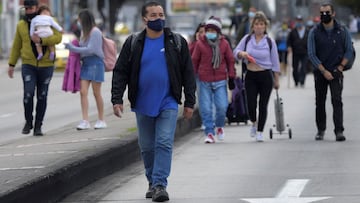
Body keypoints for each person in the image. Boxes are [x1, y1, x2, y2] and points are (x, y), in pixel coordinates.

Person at [111, 1, 196, 202]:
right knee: (147, 147)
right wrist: (117, 99)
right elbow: (120, 71)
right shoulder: (133, 43)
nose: (159, 19)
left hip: (168, 101)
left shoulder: (177, 42)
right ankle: (151, 180)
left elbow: (188, 73)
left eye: (161, 14)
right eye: (154, 15)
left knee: (164, 142)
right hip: (142, 103)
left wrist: (190, 102)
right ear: (145, 19)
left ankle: (160, 184)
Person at [7, 0, 62, 136]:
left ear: (37, 8)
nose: (28, 11)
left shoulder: (48, 20)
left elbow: (58, 37)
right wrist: (11, 64)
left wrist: (42, 41)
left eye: (30, 8)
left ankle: (38, 125)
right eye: (26, 9)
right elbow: (16, 45)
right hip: (28, 65)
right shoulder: (21, 25)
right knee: (28, 93)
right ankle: (28, 121)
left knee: (42, 96)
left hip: (46, 65)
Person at [307, 2, 352, 142]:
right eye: (322, 13)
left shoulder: (343, 31)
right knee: (320, 101)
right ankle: (321, 130)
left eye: (327, 12)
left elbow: (349, 50)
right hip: (320, 72)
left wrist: (340, 68)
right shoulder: (314, 32)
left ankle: (339, 130)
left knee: (337, 101)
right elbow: (311, 54)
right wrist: (323, 70)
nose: (324, 15)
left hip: (336, 71)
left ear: (333, 14)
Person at [233, 11, 280, 142]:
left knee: (263, 105)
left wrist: (276, 79)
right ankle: (253, 121)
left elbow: (275, 61)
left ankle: (260, 131)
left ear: (265, 26)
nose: (259, 27)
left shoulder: (270, 42)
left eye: (261, 24)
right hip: (251, 75)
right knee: (251, 104)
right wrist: (241, 53)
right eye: (256, 24)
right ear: (252, 26)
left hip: (265, 75)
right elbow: (235, 52)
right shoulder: (247, 39)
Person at [191, 16, 236, 143]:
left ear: (218, 32)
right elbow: (194, 61)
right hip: (204, 79)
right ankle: (209, 132)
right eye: (208, 30)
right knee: (205, 108)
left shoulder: (224, 44)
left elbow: (230, 61)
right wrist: (191, 79)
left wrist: (232, 76)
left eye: (213, 30)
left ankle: (220, 126)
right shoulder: (200, 43)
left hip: (220, 79)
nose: (210, 33)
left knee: (222, 106)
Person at [64, 9, 107, 130]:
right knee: (83, 92)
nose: (78, 22)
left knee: (96, 93)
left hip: (96, 63)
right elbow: (83, 49)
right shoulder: (84, 32)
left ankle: (101, 119)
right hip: (86, 64)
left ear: (84, 20)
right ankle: (85, 120)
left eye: (79, 20)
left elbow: (91, 49)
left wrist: (73, 48)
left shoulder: (95, 32)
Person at [287, 15, 309, 87]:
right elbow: (289, 41)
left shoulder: (307, 31)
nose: (299, 22)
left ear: (302, 21)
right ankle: (296, 81)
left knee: (303, 67)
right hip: (295, 52)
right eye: (297, 21)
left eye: (300, 21)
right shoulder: (292, 31)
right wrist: (289, 47)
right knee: (295, 67)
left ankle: (302, 81)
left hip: (305, 52)